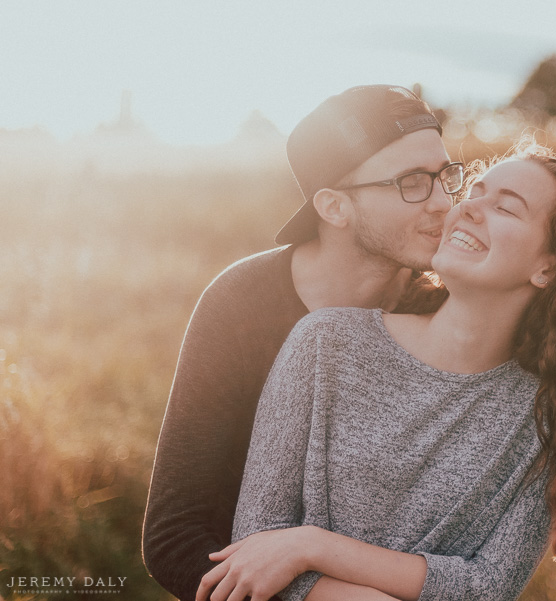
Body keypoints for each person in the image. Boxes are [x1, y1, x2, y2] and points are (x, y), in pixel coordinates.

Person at [195, 140, 556, 601]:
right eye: (474, 192)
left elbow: (488, 587)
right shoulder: (325, 343)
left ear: (548, 267)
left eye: (506, 208)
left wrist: (313, 546)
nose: (465, 209)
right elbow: (256, 547)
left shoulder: (550, 416)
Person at [142, 84, 459, 601]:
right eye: (412, 183)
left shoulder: (447, 310)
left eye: (446, 176)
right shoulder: (240, 304)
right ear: (334, 207)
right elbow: (174, 537)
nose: (444, 203)